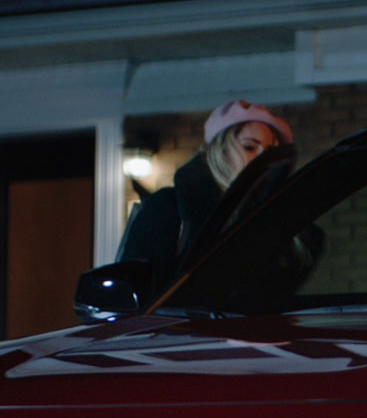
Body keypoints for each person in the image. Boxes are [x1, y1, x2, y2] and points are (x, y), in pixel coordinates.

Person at [117, 100, 292, 285]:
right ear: (221, 151)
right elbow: (137, 288)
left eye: (269, 152)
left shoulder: (266, 213)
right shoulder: (169, 208)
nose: (262, 159)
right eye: (249, 147)